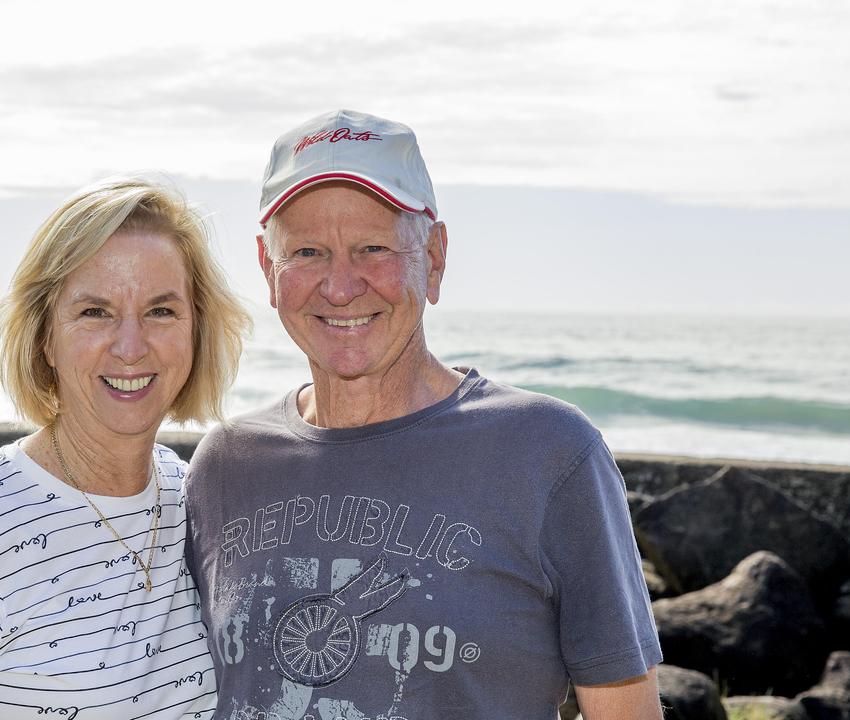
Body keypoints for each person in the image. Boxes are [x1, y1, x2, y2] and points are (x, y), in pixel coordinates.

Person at [184, 110, 663, 719]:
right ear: (268, 269)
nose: (340, 285)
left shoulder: (548, 453)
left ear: (434, 257)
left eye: (373, 248)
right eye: (306, 251)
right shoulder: (227, 466)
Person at [0, 176, 249, 720]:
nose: (131, 346)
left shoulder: (192, 495)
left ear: (195, 329)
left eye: (161, 311)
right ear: (45, 336)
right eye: (95, 312)